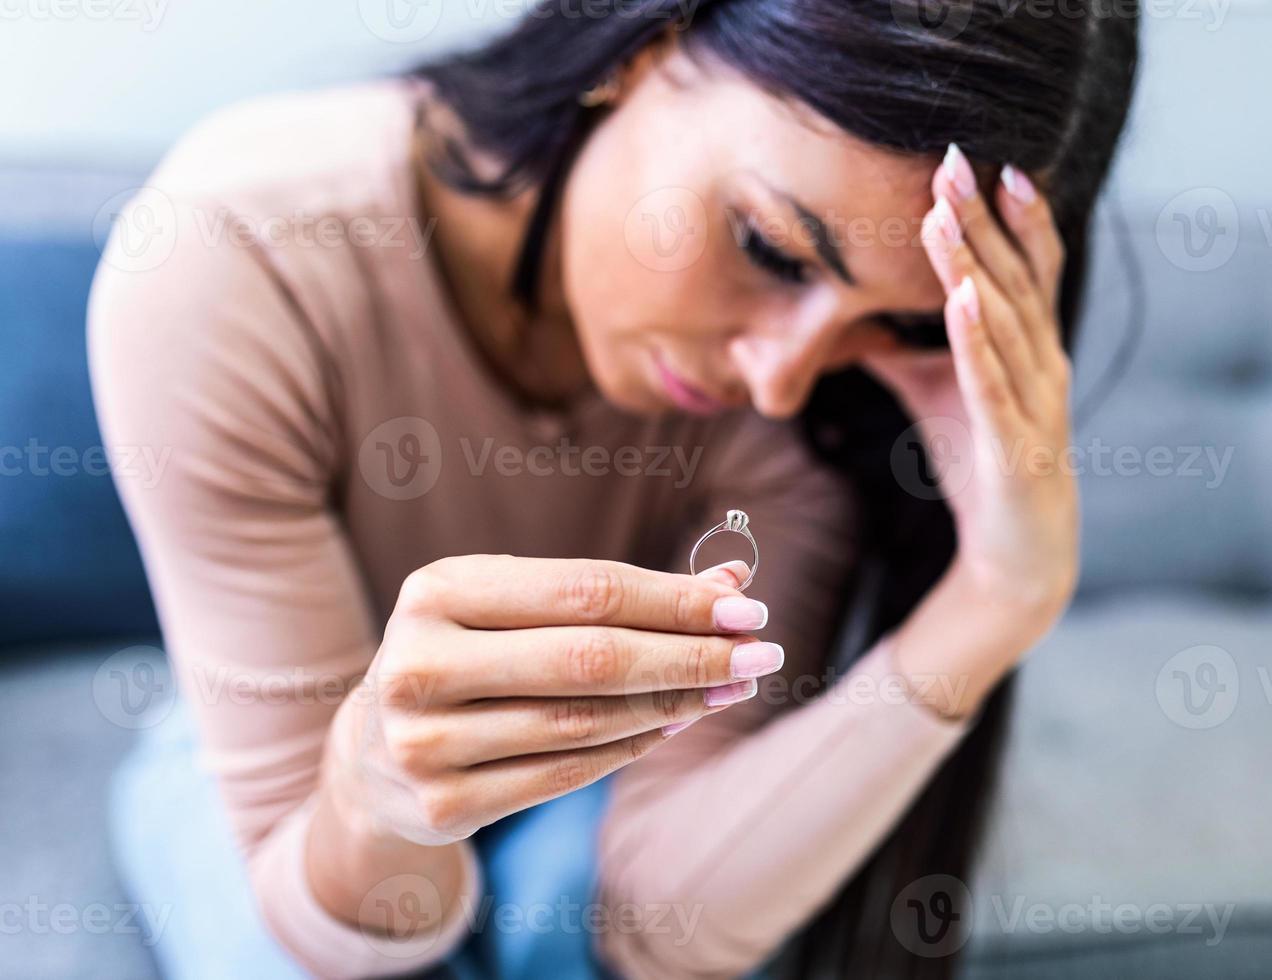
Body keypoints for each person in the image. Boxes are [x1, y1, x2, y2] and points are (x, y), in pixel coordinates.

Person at [89, 2, 1139, 977]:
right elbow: (310, 883)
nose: (777, 375)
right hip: (301, 755)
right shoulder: (234, 261)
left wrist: (1001, 596)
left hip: (600, 758)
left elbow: (650, 927)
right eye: (768, 247)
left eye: (891, 322)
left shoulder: (810, 415)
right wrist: (378, 800)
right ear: (645, 44)